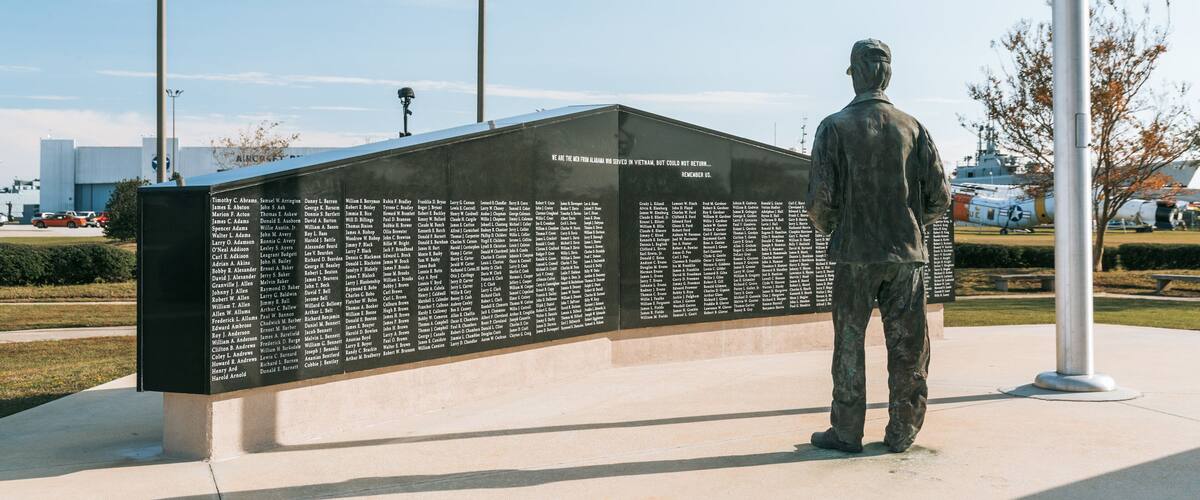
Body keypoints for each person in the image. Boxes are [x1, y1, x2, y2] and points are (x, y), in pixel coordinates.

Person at [806, 39, 952, 453]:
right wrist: (904, 224)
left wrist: (842, 226)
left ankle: (847, 430)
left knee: (849, 343)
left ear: (855, 73)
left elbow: (819, 201)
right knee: (908, 346)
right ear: (887, 74)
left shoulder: (833, 127)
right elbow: (940, 197)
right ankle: (902, 430)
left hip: (854, 253)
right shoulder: (913, 127)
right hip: (906, 254)